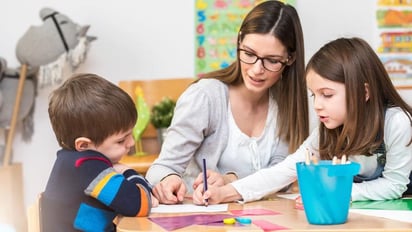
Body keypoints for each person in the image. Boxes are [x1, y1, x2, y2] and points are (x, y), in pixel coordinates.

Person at [193, 37, 412, 205]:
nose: (317, 105)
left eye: (327, 94)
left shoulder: (397, 123)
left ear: (364, 92)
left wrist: (337, 192)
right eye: (313, 95)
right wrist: (223, 194)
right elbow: (286, 170)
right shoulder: (329, 129)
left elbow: (394, 185)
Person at [146, 0, 309, 204]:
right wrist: (168, 179)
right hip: (201, 219)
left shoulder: (286, 104)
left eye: (272, 60)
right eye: (249, 54)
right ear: (239, 42)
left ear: (290, 58)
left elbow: (281, 176)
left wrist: (229, 180)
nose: (257, 69)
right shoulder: (206, 97)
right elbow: (162, 168)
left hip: (258, 220)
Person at [42, 73, 158, 231]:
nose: (131, 143)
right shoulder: (87, 166)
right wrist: (126, 170)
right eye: (121, 140)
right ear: (84, 145)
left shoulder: (69, 161)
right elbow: (141, 203)